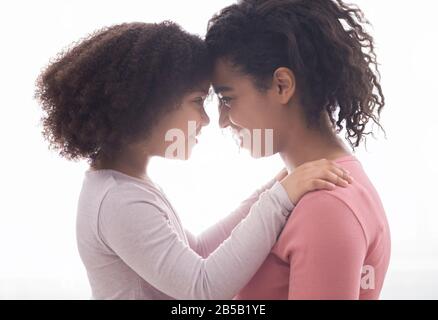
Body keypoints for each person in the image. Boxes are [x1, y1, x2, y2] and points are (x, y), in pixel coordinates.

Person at [35, 21, 352, 299]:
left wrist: (274, 188)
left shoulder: (125, 186)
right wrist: (279, 200)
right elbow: (204, 289)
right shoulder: (119, 202)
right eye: (197, 101)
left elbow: (198, 251)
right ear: (148, 105)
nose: (206, 119)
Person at [206, 0, 391, 299]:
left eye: (227, 99)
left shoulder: (326, 206)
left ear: (281, 85)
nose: (222, 121)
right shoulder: (303, 188)